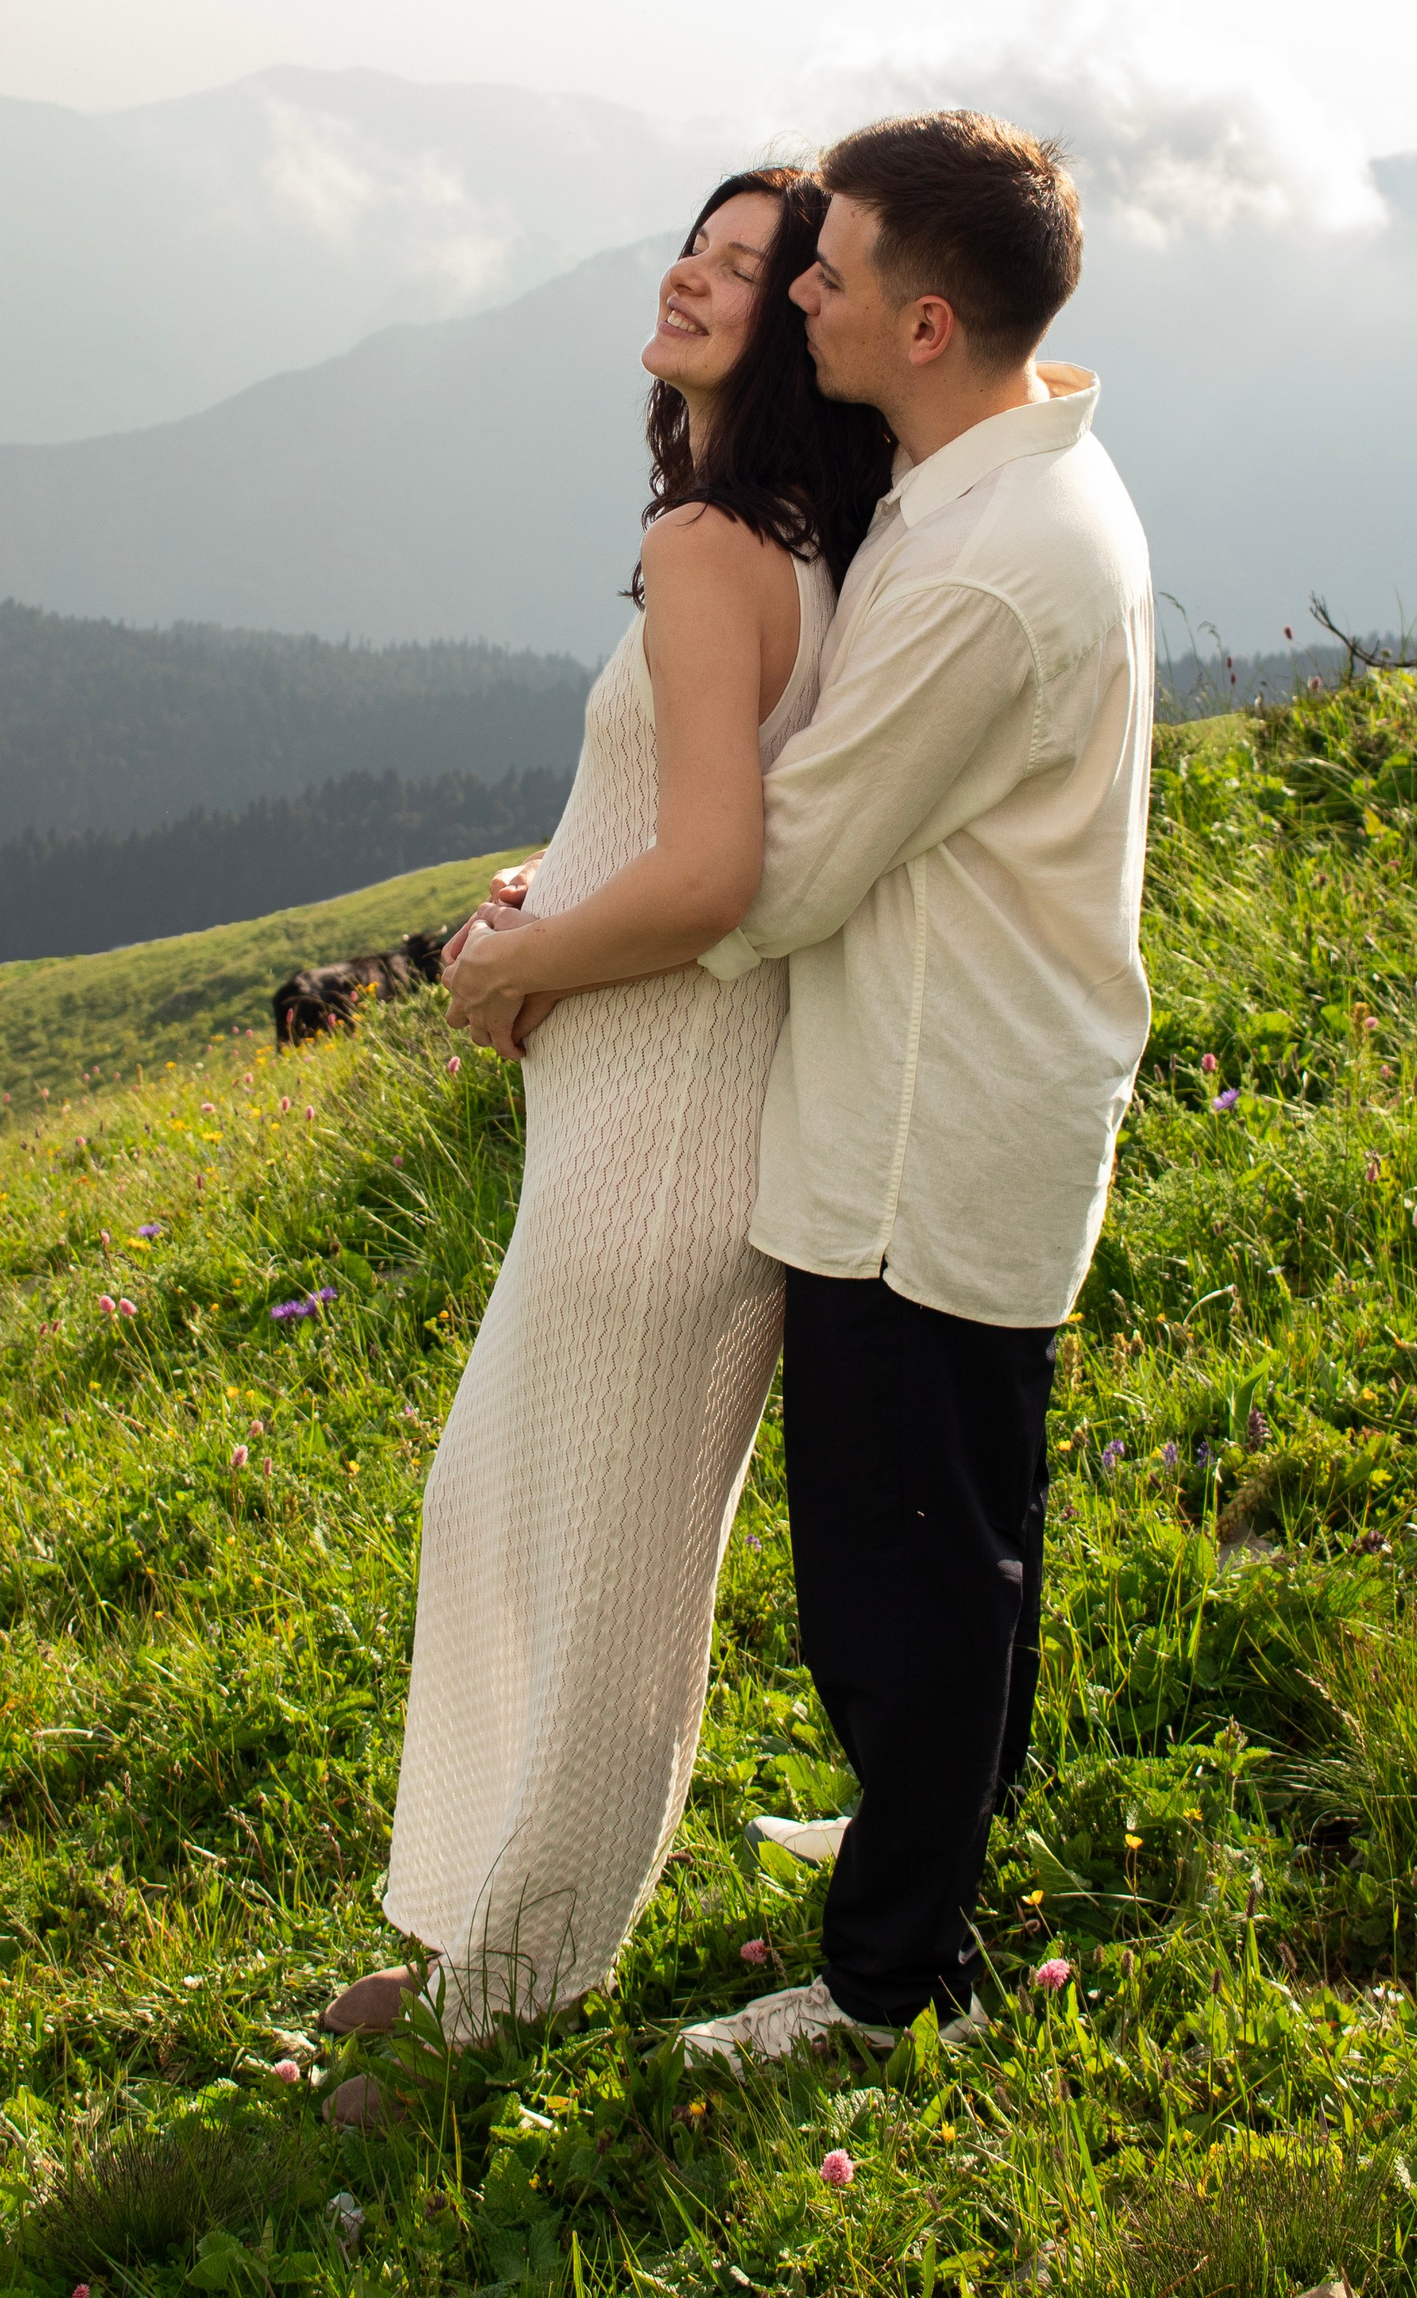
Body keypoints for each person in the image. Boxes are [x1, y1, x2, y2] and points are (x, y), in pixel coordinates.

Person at [448, 110, 1154, 2065]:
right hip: (949, 1089)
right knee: (958, 1528)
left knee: (896, 1569)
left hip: (930, 1118)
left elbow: (778, 866)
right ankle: (926, 1841)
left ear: (922, 323)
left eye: (824, 271)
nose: (798, 295)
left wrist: (536, 948)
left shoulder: (988, 562)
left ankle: (884, 1987)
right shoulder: (974, 484)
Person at [317, 164, 889, 2100]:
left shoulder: (714, 543)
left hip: (665, 1133)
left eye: (744, 268)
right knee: (502, 1518)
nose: (692, 276)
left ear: (796, 327)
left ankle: (506, 1996)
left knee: (607, 1593)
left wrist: (514, 964)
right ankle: (470, 1928)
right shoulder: (780, 537)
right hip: (642, 1119)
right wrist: (546, 891)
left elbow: (717, 869)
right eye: (694, 245)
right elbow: (694, 814)